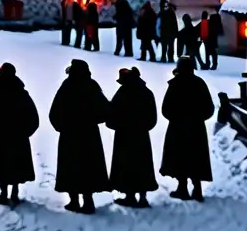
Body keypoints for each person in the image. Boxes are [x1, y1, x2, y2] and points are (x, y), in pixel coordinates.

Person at [49, 59, 110, 213]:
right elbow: (105, 110)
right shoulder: (92, 86)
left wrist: (61, 126)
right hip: (89, 134)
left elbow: (54, 112)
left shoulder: (67, 86)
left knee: (70, 167)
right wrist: (93, 120)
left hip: (70, 134)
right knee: (88, 168)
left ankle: (74, 201)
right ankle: (88, 202)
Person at [160, 56, 214, 201]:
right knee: (195, 157)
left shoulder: (175, 84)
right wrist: (197, 118)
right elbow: (209, 108)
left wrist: (176, 117)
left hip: (178, 128)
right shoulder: (199, 84)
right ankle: (197, 189)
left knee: (180, 157)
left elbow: (165, 108)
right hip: (196, 128)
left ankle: (182, 188)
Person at [0, 62, 38, 206]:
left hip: (2, 136)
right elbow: (33, 116)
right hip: (19, 137)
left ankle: (3, 193)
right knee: (17, 165)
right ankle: (14, 191)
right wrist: (25, 132)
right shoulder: (21, 93)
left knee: (2, 167)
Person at [107, 67, 158, 208]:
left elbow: (112, 113)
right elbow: (152, 118)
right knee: (143, 165)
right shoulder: (147, 93)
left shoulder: (123, 92)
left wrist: (116, 124)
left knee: (127, 165)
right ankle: (143, 196)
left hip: (125, 135)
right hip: (141, 136)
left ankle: (130, 196)